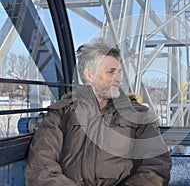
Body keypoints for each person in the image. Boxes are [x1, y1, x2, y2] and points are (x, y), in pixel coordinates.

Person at [25, 37, 172, 186]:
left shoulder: (138, 115)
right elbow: (41, 166)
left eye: (119, 72)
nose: (119, 79)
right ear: (89, 75)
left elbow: (157, 165)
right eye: (111, 72)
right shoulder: (61, 113)